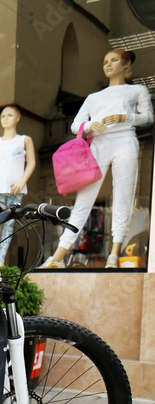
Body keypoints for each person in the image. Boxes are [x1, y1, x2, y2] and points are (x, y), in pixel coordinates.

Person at [41, 49, 153, 269]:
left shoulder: (137, 90)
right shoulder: (94, 97)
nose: (108, 65)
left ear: (125, 64)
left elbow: (148, 117)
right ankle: (59, 255)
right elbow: (76, 125)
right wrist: (90, 125)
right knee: (83, 200)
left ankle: (114, 254)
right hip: (99, 143)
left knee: (124, 196)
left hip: (125, 140)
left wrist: (126, 117)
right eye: (105, 62)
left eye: (113, 60)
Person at [0, 106, 36, 264]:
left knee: (9, 224)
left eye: (10, 115)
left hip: (14, 188)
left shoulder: (24, 140)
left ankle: (1, 260)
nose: (5, 118)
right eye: (3, 116)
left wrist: (22, 180)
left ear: (17, 118)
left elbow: (32, 162)